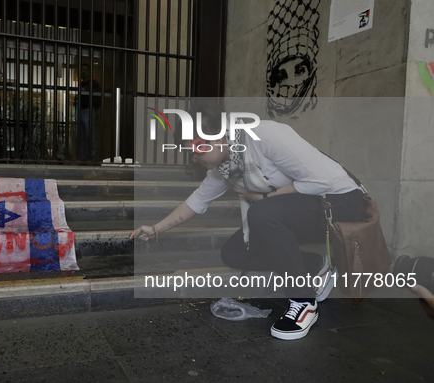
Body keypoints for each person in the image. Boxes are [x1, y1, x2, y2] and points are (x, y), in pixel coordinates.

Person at [130, 102, 365, 340]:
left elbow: (321, 181)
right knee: (234, 252)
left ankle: (303, 302)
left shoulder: (265, 134)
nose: (194, 157)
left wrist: (264, 197)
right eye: (188, 150)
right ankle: (319, 265)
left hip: (339, 203)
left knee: (261, 213)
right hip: (298, 209)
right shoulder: (225, 166)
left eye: (198, 146)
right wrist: (156, 229)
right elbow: (197, 201)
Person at [75, 63, 101, 162]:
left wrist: (93, 109)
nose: (83, 71)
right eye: (82, 69)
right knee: (81, 137)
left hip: (88, 111)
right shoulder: (80, 84)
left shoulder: (93, 84)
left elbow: (98, 98)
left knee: (90, 136)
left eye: (86, 69)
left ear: (90, 72)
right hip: (81, 111)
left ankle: (92, 159)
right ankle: (83, 159)